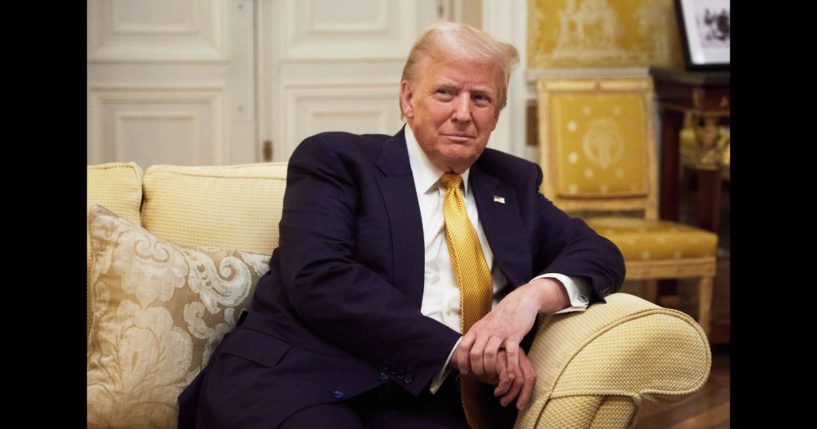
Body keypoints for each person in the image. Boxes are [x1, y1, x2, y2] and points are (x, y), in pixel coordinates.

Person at [178, 22, 624, 429]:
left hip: (421, 400)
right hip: (300, 377)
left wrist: (527, 300)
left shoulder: (512, 183)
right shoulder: (337, 161)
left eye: (481, 98)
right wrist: (460, 354)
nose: (464, 113)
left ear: (496, 113)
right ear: (408, 99)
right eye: (446, 93)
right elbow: (319, 278)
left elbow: (600, 255)